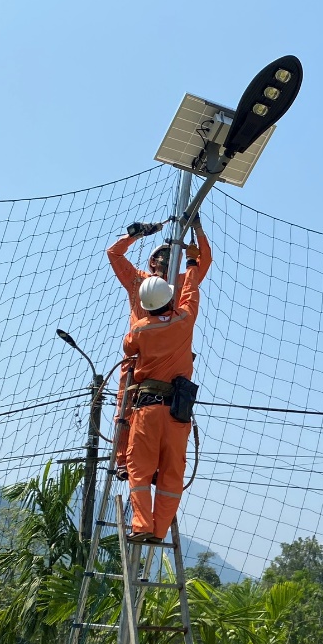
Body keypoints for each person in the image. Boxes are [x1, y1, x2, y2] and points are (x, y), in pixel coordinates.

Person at [106, 216, 211, 480]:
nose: (167, 258)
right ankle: (123, 462)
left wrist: (197, 230)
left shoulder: (180, 282)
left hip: (169, 365)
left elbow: (204, 261)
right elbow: (114, 253)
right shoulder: (137, 281)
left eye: (171, 254)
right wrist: (137, 234)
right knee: (125, 408)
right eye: (162, 254)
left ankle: (158, 465)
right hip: (138, 359)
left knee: (169, 413)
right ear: (152, 262)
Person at [120, 257, 201, 543]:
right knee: (171, 474)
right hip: (178, 414)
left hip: (148, 409)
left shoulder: (140, 329)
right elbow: (190, 292)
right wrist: (191, 265)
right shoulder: (185, 319)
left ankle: (141, 525)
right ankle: (159, 530)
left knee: (139, 470)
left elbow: (128, 346)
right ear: (170, 298)